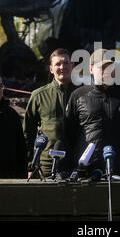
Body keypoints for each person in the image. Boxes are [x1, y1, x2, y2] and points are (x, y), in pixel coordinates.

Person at [65, 49, 120, 178]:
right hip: (86, 171)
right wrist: (69, 169)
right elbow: (68, 136)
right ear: (91, 69)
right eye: (101, 68)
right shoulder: (78, 95)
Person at [23, 48, 77, 177]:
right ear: (51, 69)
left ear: (72, 66)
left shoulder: (83, 94)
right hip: (46, 165)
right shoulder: (38, 95)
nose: (62, 67)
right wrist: (30, 164)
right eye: (58, 64)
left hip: (75, 164)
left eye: (66, 63)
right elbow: (27, 133)